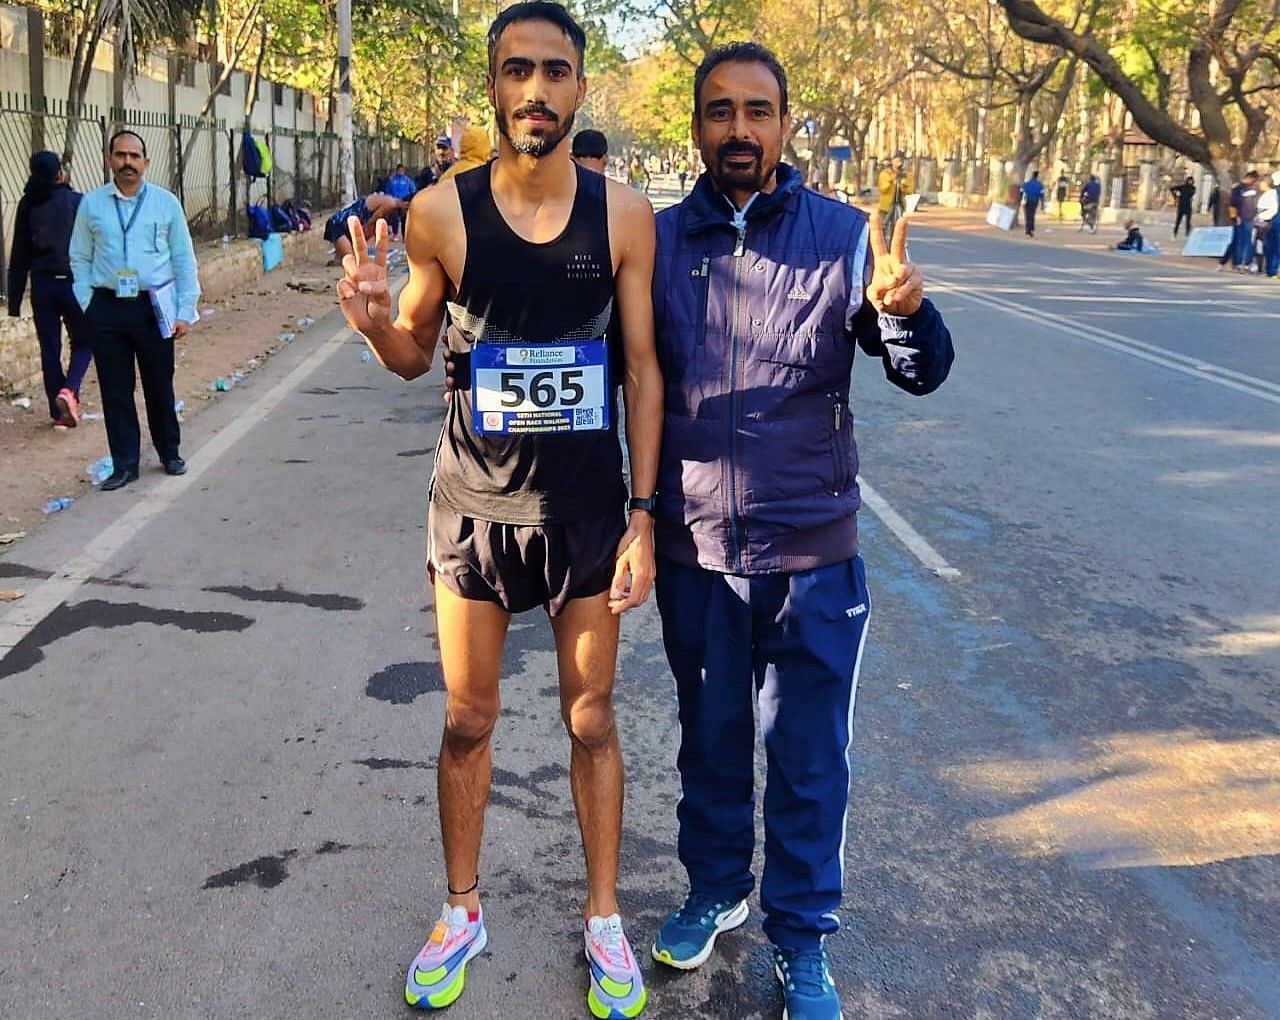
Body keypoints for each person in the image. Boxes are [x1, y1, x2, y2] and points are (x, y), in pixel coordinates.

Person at [335, 3, 663, 1017]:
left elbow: (643, 371)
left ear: (578, 86)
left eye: (555, 72)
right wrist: (370, 319)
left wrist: (642, 517)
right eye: (517, 71)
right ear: (492, 85)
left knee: (590, 715)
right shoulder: (440, 212)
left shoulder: (621, 216)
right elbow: (409, 357)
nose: (535, 90)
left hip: (584, 514)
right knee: (468, 718)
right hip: (472, 507)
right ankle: (461, 907)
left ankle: (602, 916)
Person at [647, 42, 954, 1020]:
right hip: (694, 551)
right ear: (695, 125)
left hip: (811, 559)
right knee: (709, 741)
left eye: (756, 111)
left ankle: (801, 938)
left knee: (808, 759)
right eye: (719, 111)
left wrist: (905, 314)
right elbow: (596, 355)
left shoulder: (842, 237)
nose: (738, 129)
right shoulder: (653, 242)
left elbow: (919, 369)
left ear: (784, 123)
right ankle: (712, 887)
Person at [69, 130, 199, 491]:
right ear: (110, 159)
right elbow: (79, 257)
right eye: (121, 155)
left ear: (146, 162)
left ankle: (169, 452)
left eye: (134, 155)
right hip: (106, 308)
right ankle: (124, 464)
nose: (128, 162)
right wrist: (87, 302)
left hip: (153, 306)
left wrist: (185, 310)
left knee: (159, 384)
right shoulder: (91, 205)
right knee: (115, 389)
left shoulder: (165, 203)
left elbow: (183, 259)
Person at [6, 150, 94, 429]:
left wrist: (14, 301)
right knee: (85, 341)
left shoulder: (27, 205)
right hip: (73, 283)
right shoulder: (77, 202)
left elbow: (19, 255)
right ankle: (69, 392)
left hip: (42, 287)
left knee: (50, 349)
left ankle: (58, 414)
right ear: (60, 173)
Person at [322, 192, 406, 261]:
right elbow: (375, 218)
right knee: (351, 258)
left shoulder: (389, 202)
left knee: (351, 255)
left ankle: (340, 255)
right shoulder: (390, 204)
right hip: (339, 222)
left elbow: (374, 223)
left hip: (348, 221)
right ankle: (341, 255)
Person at [1223, 171, 1259, 272]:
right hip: (1240, 218)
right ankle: (1237, 263)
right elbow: (1232, 204)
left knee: (1248, 242)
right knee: (1238, 241)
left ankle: (1247, 263)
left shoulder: (1256, 189)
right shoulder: (1238, 188)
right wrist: (1234, 217)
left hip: (1250, 218)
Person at [876, 150, 914, 245]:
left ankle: (893, 250)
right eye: (897, 160)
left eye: (901, 160)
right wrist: (892, 179)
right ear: (893, 161)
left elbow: (909, 191)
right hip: (886, 206)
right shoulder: (885, 173)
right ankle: (881, 250)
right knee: (882, 229)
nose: (899, 162)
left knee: (897, 230)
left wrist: (903, 184)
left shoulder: (905, 175)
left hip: (899, 205)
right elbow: (882, 189)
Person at [384, 163, 418, 241]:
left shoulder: (407, 180)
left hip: (404, 201)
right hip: (394, 201)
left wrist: (409, 199)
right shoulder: (391, 179)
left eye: (402, 170)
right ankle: (395, 234)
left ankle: (404, 236)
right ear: (397, 170)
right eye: (399, 170)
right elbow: (387, 190)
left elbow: (412, 190)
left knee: (404, 218)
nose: (401, 171)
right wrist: (390, 198)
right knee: (394, 217)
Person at [1254, 174, 1277, 276]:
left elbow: (1272, 209)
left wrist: (1263, 217)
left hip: (1266, 223)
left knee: (1266, 246)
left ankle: (1267, 269)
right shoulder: (1265, 194)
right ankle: (1262, 268)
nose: (1259, 184)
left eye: (1261, 182)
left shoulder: (1273, 194)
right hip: (1260, 222)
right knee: (1260, 246)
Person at [1021, 170, 1045, 237]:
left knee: (1027, 216)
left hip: (1027, 201)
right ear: (1037, 176)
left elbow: (1022, 191)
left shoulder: (1027, 183)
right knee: (1032, 215)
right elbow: (1042, 195)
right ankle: (1030, 229)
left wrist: (1020, 199)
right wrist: (1042, 204)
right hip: (1034, 202)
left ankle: (1027, 230)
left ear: (1032, 176)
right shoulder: (1040, 185)